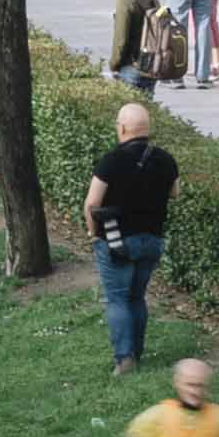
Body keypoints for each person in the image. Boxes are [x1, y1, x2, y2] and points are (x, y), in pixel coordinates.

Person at [90, 100, 182, 370]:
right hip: (151, 240)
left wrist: (92, 232)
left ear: (122, 128)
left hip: (117, 242)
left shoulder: (111, 160)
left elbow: (91, 203)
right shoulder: (165, 159)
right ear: (147, 128)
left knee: (117, 298)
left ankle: (124, 358)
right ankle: (137, 352)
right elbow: (175, 192)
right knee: (136, 297)